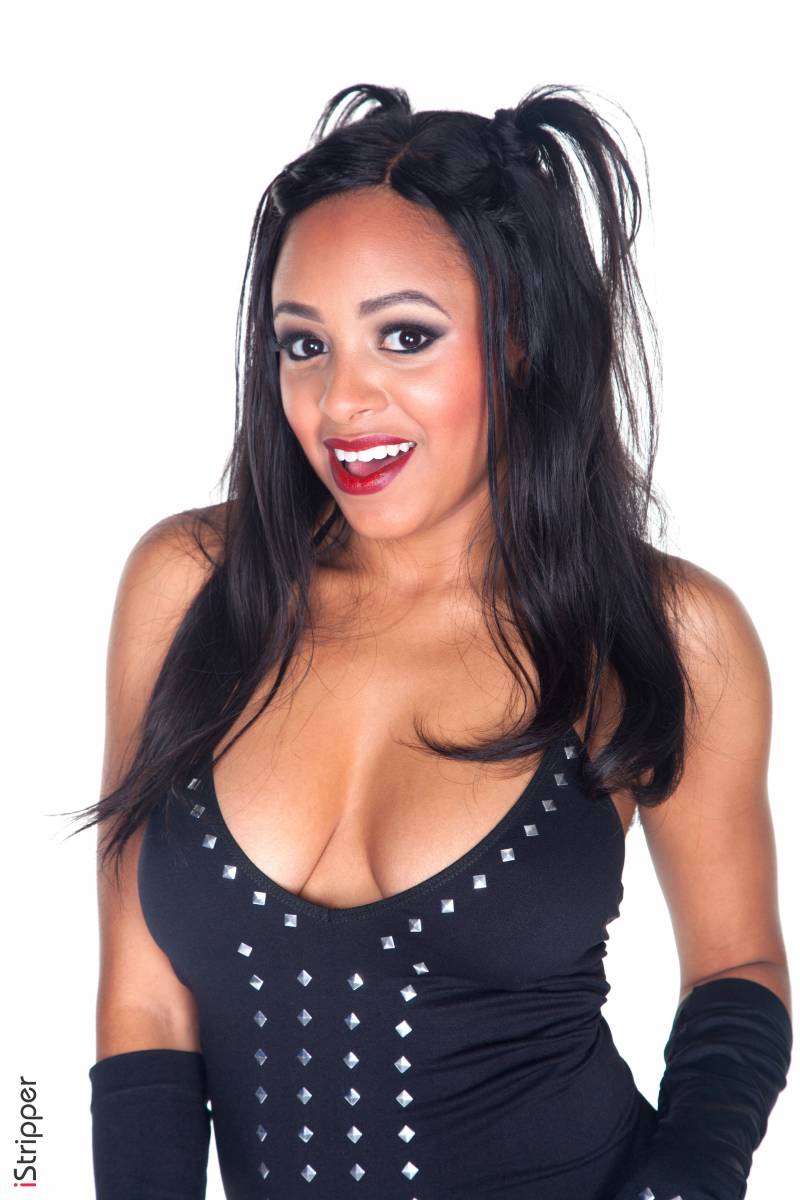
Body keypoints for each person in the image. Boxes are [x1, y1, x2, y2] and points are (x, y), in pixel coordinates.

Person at [71, 82, 792, 1198]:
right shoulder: (190, 587)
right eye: (302, 344)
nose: (339, 401)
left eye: (404, 337)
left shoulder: (665, 632)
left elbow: (737, 965)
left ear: (518, 340)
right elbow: (142, 997)